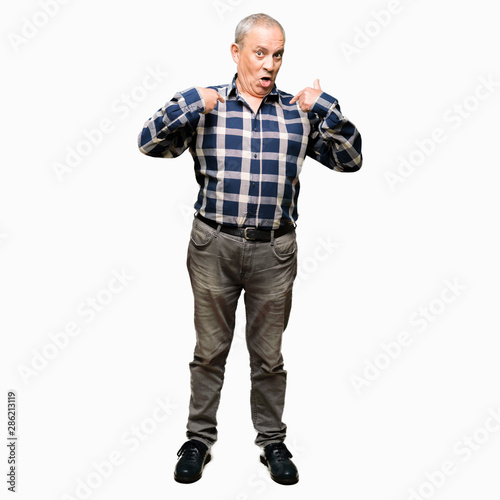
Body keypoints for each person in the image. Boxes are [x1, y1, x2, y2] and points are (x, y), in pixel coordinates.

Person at [138, 12, 362, 485]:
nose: (270, 65)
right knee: (210, 351)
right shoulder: (208, 108)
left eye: (278, 55)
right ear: (236, 53)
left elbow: (351, 161)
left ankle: (272, 441)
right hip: (213, 246)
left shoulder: (298, 113)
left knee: (268, 356)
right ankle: (198, 439)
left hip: (274, 253)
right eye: (259, 53)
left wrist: (326, 106)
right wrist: (188, 103)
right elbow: (149, 144)